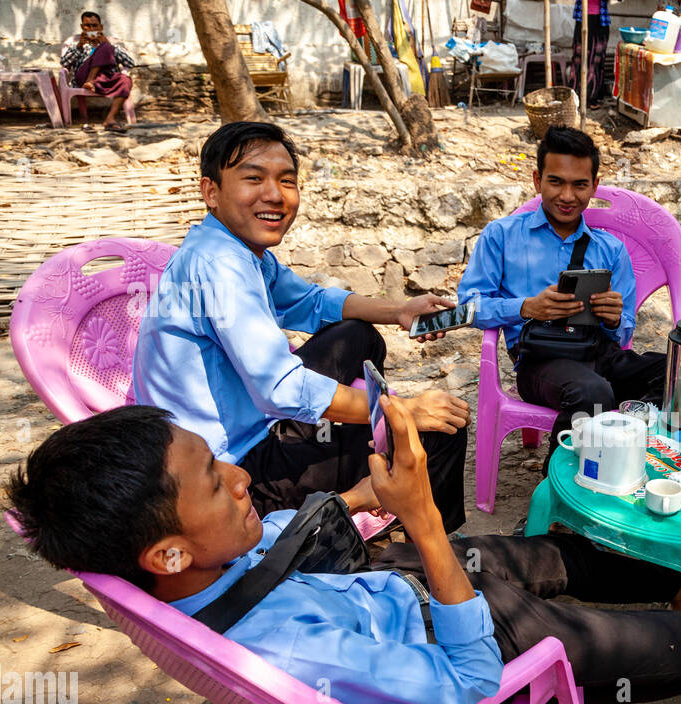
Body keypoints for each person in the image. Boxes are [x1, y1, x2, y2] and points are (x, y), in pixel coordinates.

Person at [6, 401, 681, 704]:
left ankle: (676, 581)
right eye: (211, 480)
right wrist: (421, 519)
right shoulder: (288, 649)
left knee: (564, 557)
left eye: (214, 454)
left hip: (385, 580)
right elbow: (468, 678)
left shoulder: (185, 568)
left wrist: (363, 499)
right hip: (444, 633)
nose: (237, 474)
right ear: (166, 551)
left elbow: (281, 539)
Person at [132, 121, 471, 530]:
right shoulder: (219, 265)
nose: (274, 195)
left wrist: (400, 311)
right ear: (211, 192)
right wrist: (402, 411)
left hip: (252, 433)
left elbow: (310, 301)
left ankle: (381, 493)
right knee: (437, 432)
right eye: (253, 178)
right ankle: (417, 549)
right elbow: (282, 389)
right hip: (233, 475)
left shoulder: (233, 249)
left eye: (286, 180)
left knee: (356, 335)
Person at [457, 125, 665, 468]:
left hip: (599, 353)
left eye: (580, 184)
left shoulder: (610, 249)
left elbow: (624, 330)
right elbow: (467, 307)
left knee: (678, 370)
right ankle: (556, 499)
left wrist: (615, 319)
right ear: (537, 180)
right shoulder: (502, 236)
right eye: (556, 182)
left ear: (594, 186)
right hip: (540, 361)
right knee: (593, 392)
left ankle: (629, 451)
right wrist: (526, 307)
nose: (567, 195)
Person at [60, 10, 135, 131]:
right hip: (83, 80)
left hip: (105, 79)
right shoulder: (78, 45)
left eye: (94, 26)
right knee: (105, 47)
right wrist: (79, 47)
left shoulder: (110, 45)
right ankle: (90, 79)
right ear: (82, 27)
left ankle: (110, 118)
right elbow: (64, 64)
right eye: (87, 26)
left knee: (126, 80)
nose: (91, 29)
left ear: (100, 27)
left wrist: (107, 45)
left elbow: (130, 63)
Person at [571, 0, 612, 107]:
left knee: (596, 61)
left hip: (600, 21)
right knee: (579, 59)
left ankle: (592, 97)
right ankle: (575, 96)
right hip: (583, 20)